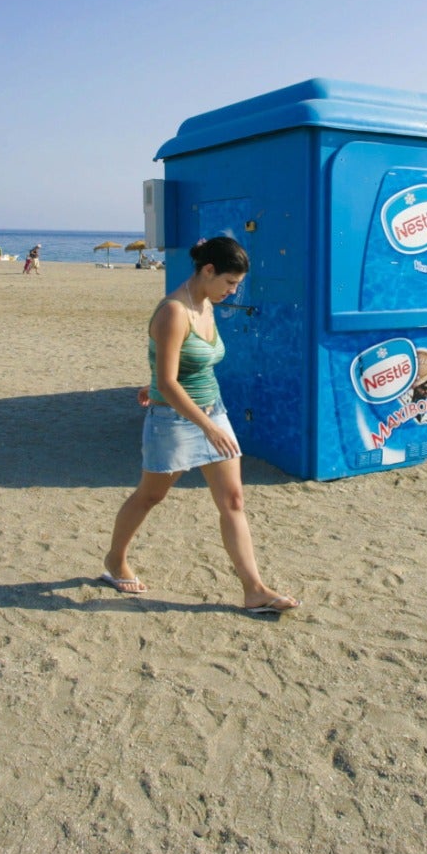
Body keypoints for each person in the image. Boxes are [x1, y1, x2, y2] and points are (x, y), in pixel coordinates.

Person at [102, 236, 299, 615]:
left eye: (237, 284)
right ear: (208, 271)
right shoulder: (173, 311)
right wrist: (205, 425)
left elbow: (183, 365)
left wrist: (161, 386)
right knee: (150, 495)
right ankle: (115, 560)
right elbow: (170, 381)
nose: (233, 290)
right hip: (175, 420)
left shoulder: (207, 303)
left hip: (213, 408)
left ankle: (254, 589)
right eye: (229, 282)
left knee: (233, 500)